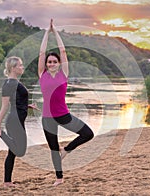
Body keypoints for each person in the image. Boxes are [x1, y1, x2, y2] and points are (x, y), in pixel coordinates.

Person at [38, 19, 94, 186]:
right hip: (47, 117)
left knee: (87, 134)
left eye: (55, 61)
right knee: (53, 149)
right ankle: (59, 178)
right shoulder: (42, 74)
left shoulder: (64, 74)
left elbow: (62, 50)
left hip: (64, 115)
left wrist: (56, 33)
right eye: (50, 62)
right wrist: (46, 34)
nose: (52, 63)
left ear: (59, 64)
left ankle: (67, 150)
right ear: (46, 65)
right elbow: (41, 53)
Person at [0, 56, 38, 187]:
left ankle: (7, 181)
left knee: (12, 152)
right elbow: (5, 106)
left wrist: (28, 106)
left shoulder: (14, 82)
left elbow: (16, 101)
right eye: (20, 65)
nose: (22, 67)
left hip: (17, 119)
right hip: (14, 121)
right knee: (20, 151)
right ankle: (1, 134)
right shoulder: (8, 84)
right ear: (13, 68)